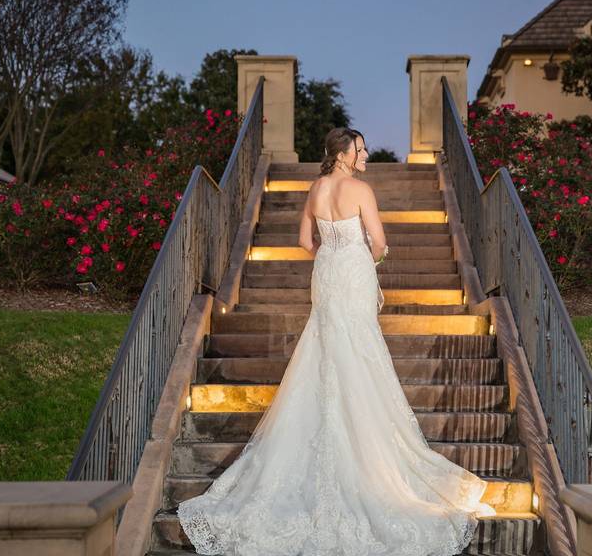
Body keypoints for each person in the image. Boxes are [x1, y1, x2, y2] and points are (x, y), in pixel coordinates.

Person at [177, 127, 496, 555]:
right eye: (360, 149)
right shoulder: (360, 189)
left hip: (326, 274)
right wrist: (367, 254)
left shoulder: (316, 188)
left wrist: (333, 251)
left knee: (324, 349)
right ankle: (371, 457)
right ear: (344, 154)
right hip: (353, 274)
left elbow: (304, 241)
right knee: (359, 351)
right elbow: (380, 243)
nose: (365, 155)